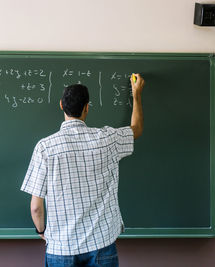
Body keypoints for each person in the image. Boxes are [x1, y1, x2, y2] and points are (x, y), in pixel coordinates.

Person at [20, 73, 144, 267]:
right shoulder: (107, 139)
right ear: (87, 107)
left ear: (61, 105)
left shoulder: (45, 147)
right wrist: (136, 94)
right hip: (101, 245)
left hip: (61, 248)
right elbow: (136, 129)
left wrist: (41, 231)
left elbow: (36, 207)